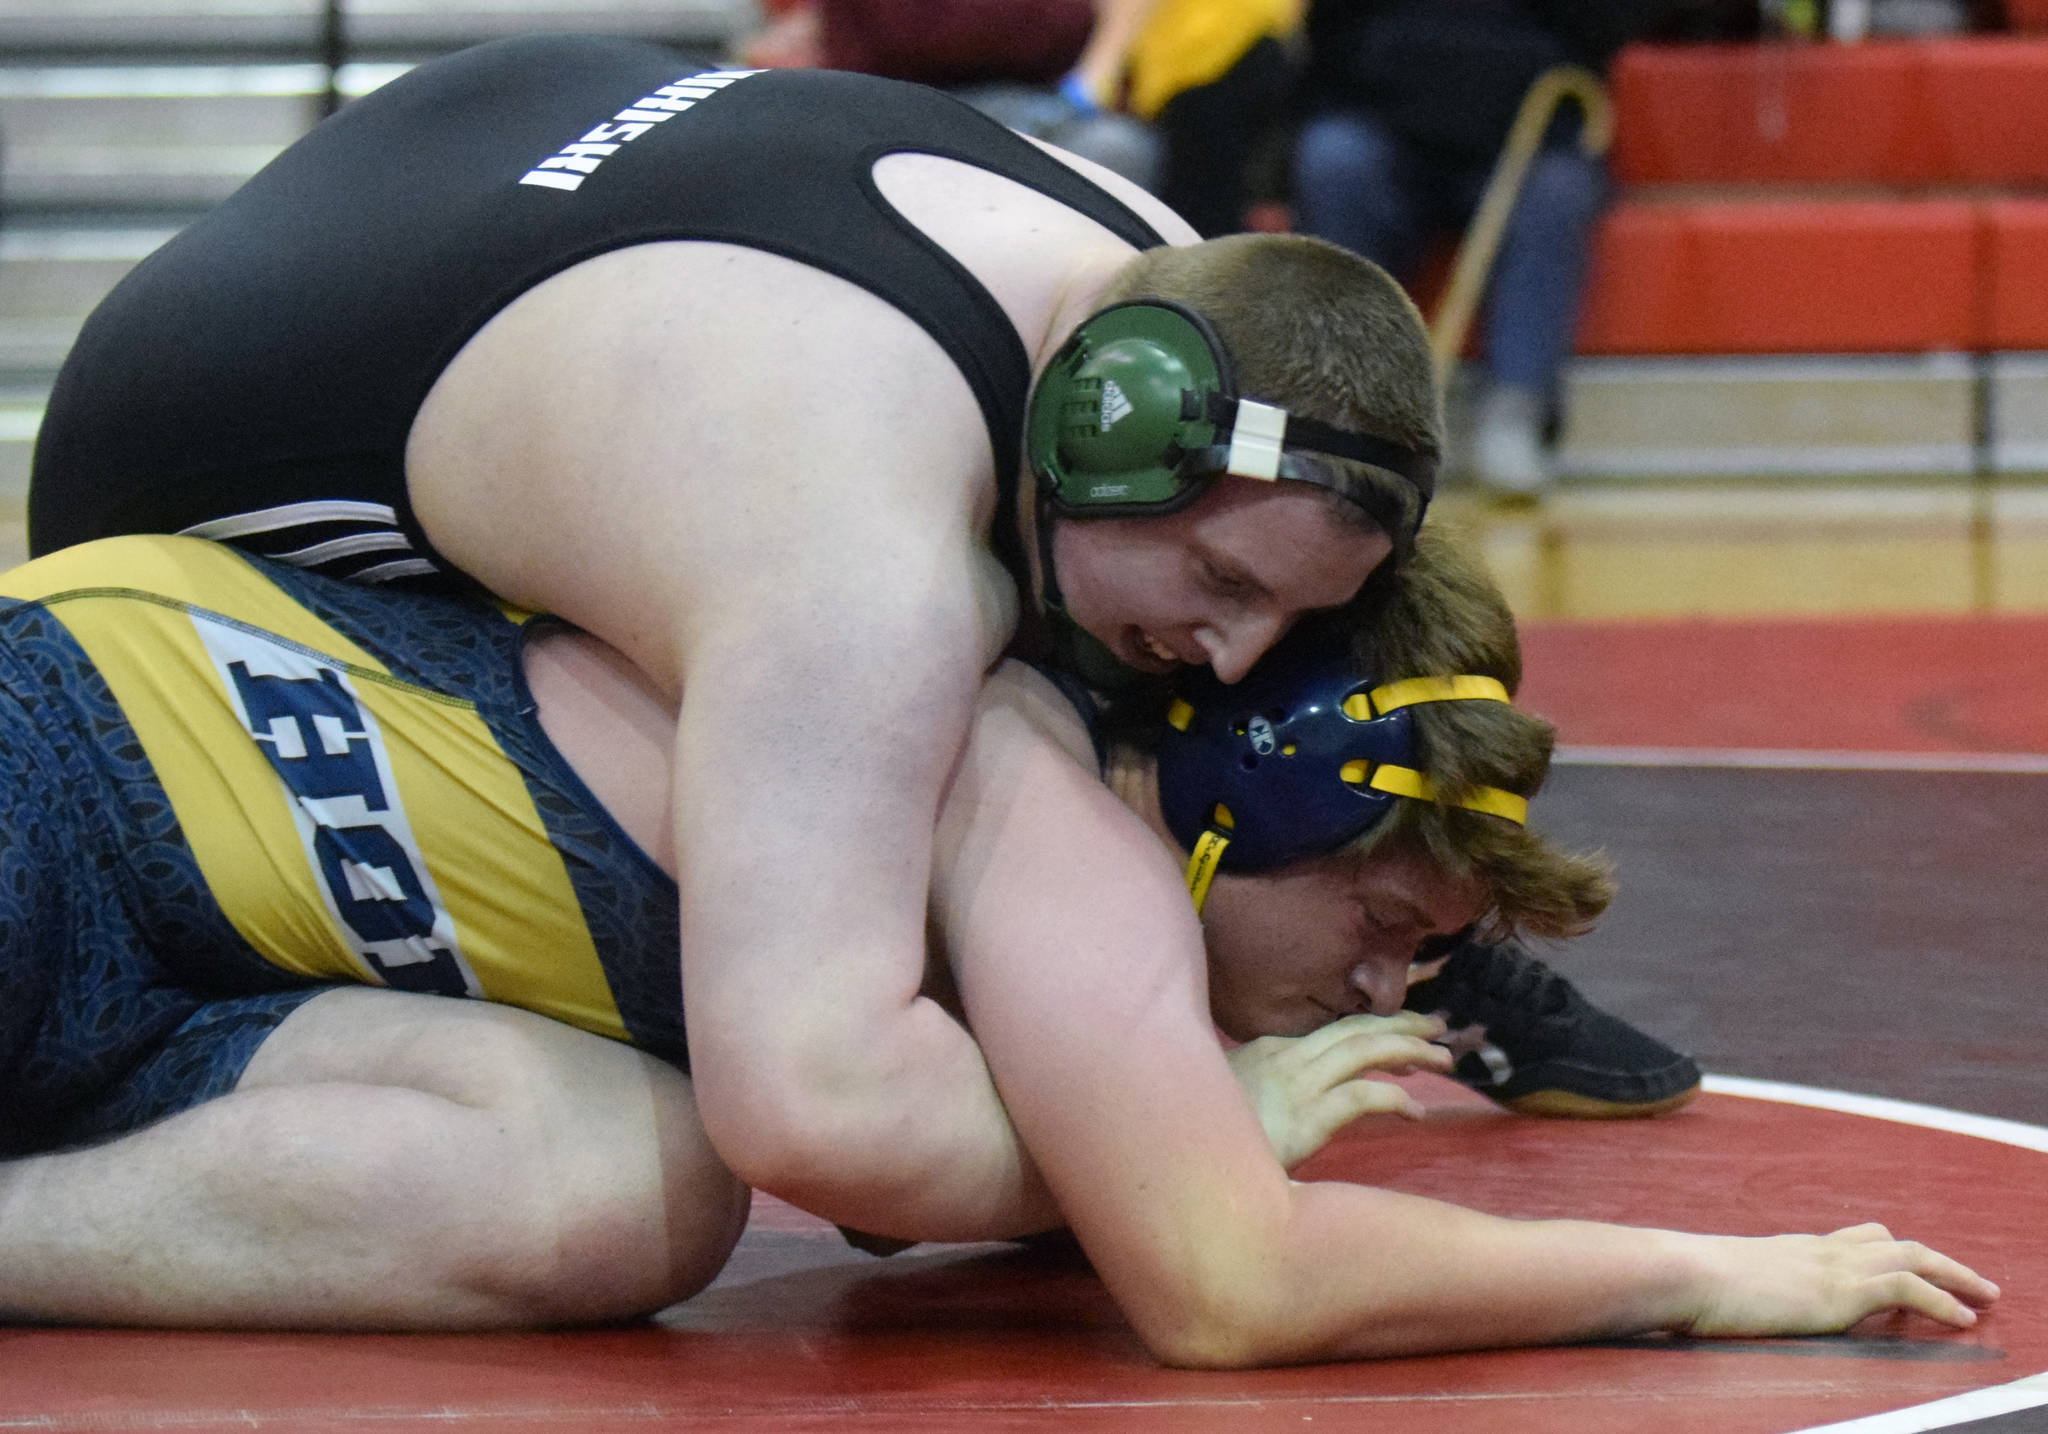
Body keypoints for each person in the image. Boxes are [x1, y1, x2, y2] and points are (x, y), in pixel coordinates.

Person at [25, 34, 1444, 1250]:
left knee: (628, 1174)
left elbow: (1309, 493)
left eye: (1291, 612)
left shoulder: (1168, 283)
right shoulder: (855, 549)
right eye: (1218, 578)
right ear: (1116, 437)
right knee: (927, 794)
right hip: (175, 496)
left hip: (444, 186)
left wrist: (1458, 896)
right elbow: (819, 1108)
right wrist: (1173, 1143)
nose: (1239, 654)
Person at [0, 532, 1996, 1350]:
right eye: (1387, 923)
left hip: (221, 1014)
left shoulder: (1049, 918)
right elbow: (1226, 1283)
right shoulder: (1018, 781)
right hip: (89, 772)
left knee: (636, 1198)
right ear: (1252, 801)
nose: (1390, 988)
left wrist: (1185, 1114)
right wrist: (1702, 1279)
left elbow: (913, 1190)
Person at [1291, 0, 1623, 494]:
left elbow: (1600, 31)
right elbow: (1329, 37)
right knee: (1334, 160)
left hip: (1526, 135)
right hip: (1385, 127)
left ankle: (1515, 412)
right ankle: (1340, 409)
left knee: (1557, 193)